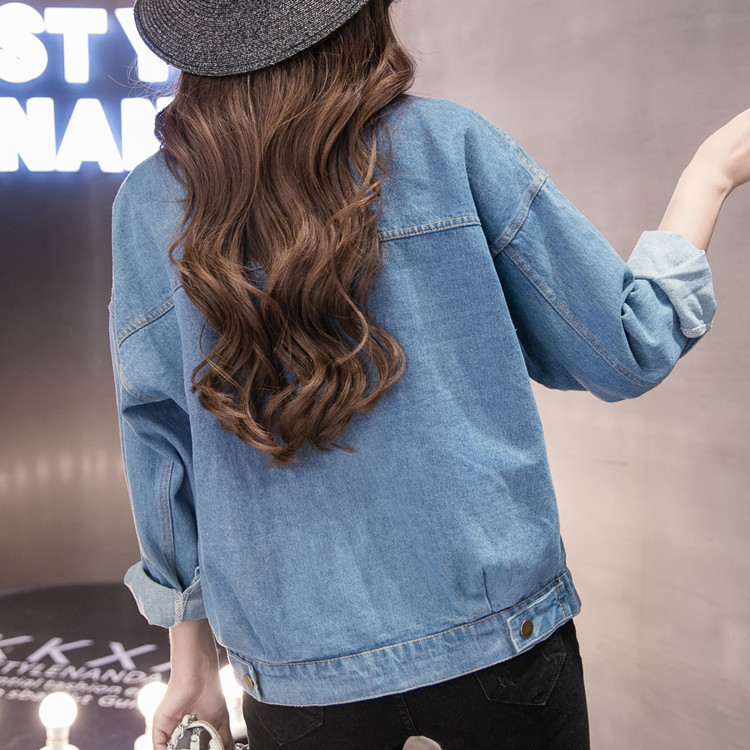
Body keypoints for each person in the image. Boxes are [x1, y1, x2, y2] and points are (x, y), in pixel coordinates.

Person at [109, 1, 750, 748]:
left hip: (296, 671)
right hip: (502, 637)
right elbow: (625, 345)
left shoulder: (149, 206)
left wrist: (189, 662)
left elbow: (161, 447)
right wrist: (711, 173)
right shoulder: (449, 145)